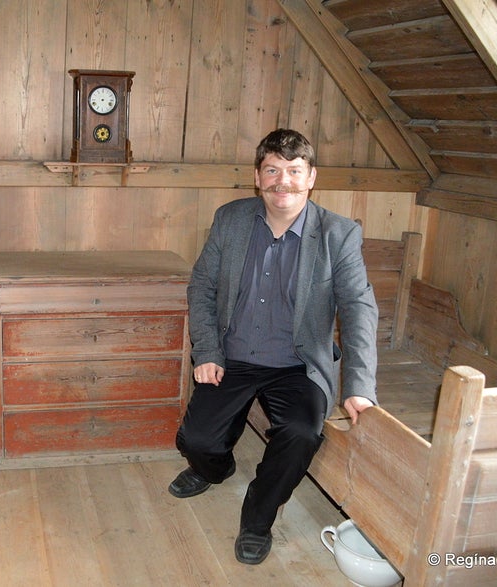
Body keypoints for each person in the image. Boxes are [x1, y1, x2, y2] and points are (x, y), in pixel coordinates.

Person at [168, 128, 378, 565]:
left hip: (296, 365)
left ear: (311, 177)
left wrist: (360, 384)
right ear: (258, 177)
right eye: (273, 170)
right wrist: (207, 352)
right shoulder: (232, 219)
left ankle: (258, 517)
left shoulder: (339, 234)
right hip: (234, 355)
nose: (283, 182)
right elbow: (202, 285)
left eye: (294, 171)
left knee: (302, 434)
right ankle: (216, 468)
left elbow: (359, 308)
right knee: (196, 440)